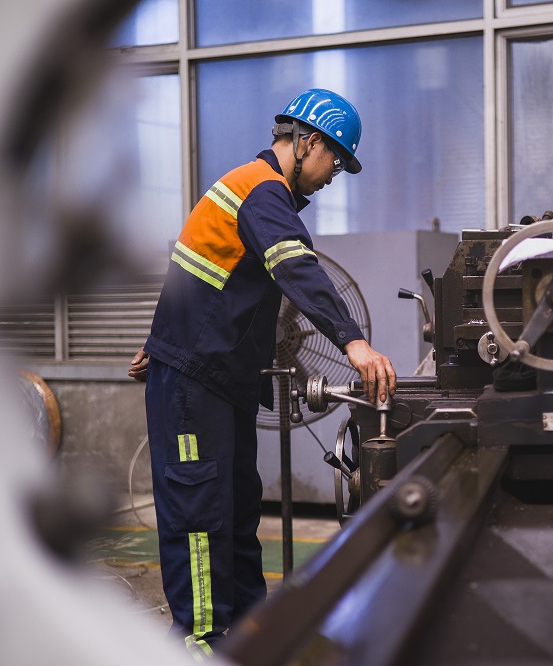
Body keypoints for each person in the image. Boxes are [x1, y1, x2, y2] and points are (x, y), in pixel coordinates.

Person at [128, 88, 396, 659]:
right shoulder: (262, 190)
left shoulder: (254, 191)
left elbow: (198, 276)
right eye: (335, 162)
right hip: (195, 383)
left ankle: (252, 634)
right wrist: (353, 341)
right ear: (309, 142)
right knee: (200, 515)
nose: (333, 177)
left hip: (218, 381)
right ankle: (201, 642)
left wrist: (161, 338)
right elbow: (296, 265)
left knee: (236, 508)